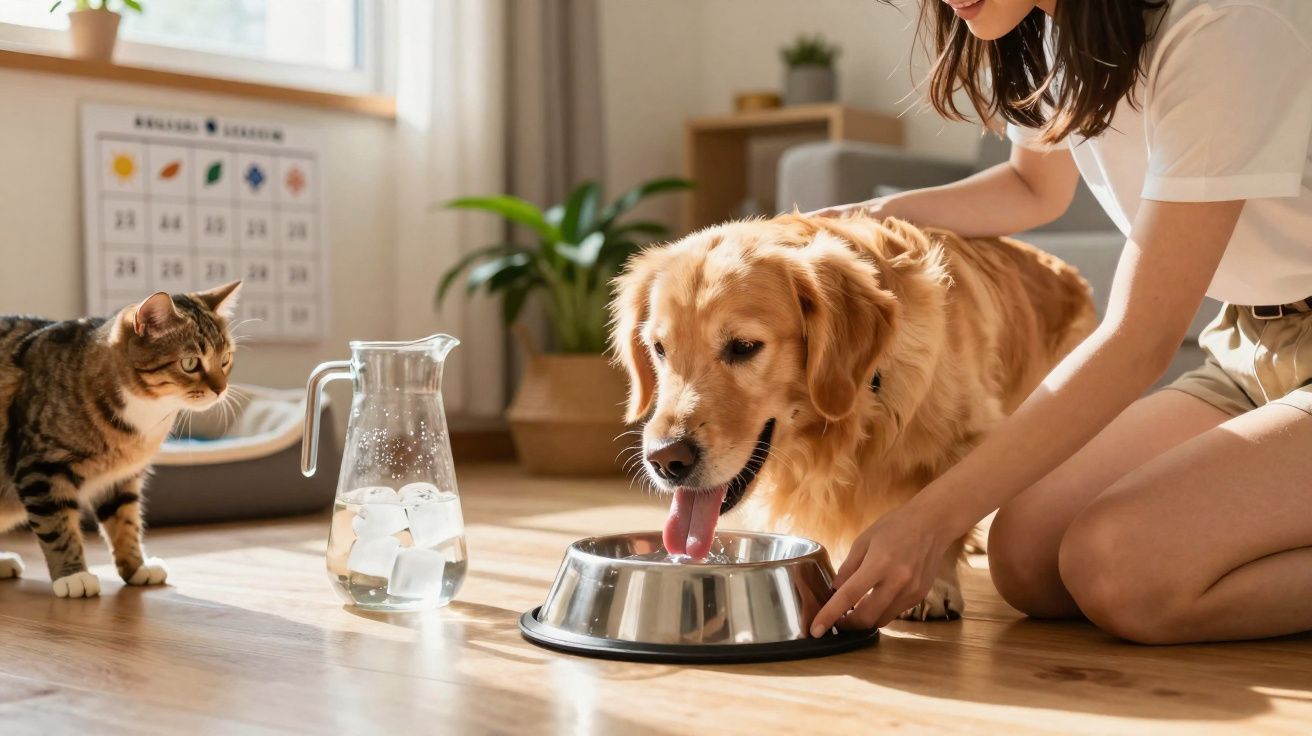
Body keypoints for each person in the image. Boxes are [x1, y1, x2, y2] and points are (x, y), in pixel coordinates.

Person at [808, 0, 1312, 644]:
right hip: (1251, 344)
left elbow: (1138, 341)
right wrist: (858, 220)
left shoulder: (1219, 23)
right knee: (1025, 558)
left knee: (1121, 569)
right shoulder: (1051, 29)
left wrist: (927, 518)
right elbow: (1032, 187)